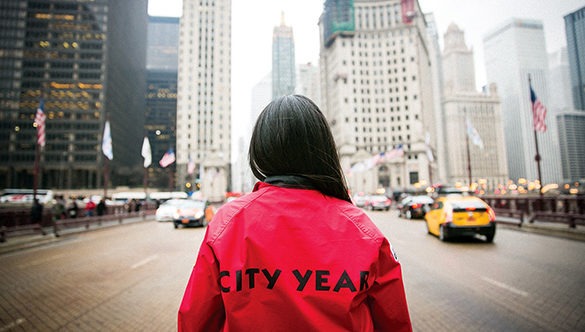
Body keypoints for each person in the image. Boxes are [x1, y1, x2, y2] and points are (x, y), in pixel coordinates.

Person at [178, 95, 412, 331]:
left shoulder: (228, 224)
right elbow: (395, 323)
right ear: (323, 148)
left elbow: (194, 322)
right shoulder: (362, 230)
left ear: (261, 150)